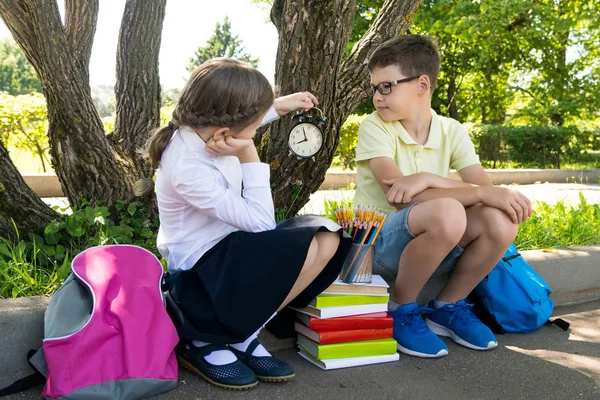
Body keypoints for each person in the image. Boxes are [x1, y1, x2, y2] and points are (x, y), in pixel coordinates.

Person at [147, 58, 351, 390]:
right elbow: (261, 224)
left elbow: (241, 119)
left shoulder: (208, 130)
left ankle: (244, 331)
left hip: (229, 253)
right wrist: (248, 155)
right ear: (226, 133)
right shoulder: (187, 166)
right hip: (201, 276)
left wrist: (281, 105)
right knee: (295, 242)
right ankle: (202, 340)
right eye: (254, 129)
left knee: (327, 237)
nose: (255, 132)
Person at [354, 35, 532, 358]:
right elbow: (400, 196)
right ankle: (401, 308)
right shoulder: (374, 127)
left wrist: (426, 179)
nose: (377, 97)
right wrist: (472, 192)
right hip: (377, 247)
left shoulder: (452, 130)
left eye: (386, 86)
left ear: (422, 85)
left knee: (500, 218)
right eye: (374, 87)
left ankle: (447, 307)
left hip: (434, 243)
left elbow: (485, 193)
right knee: (449, 211)